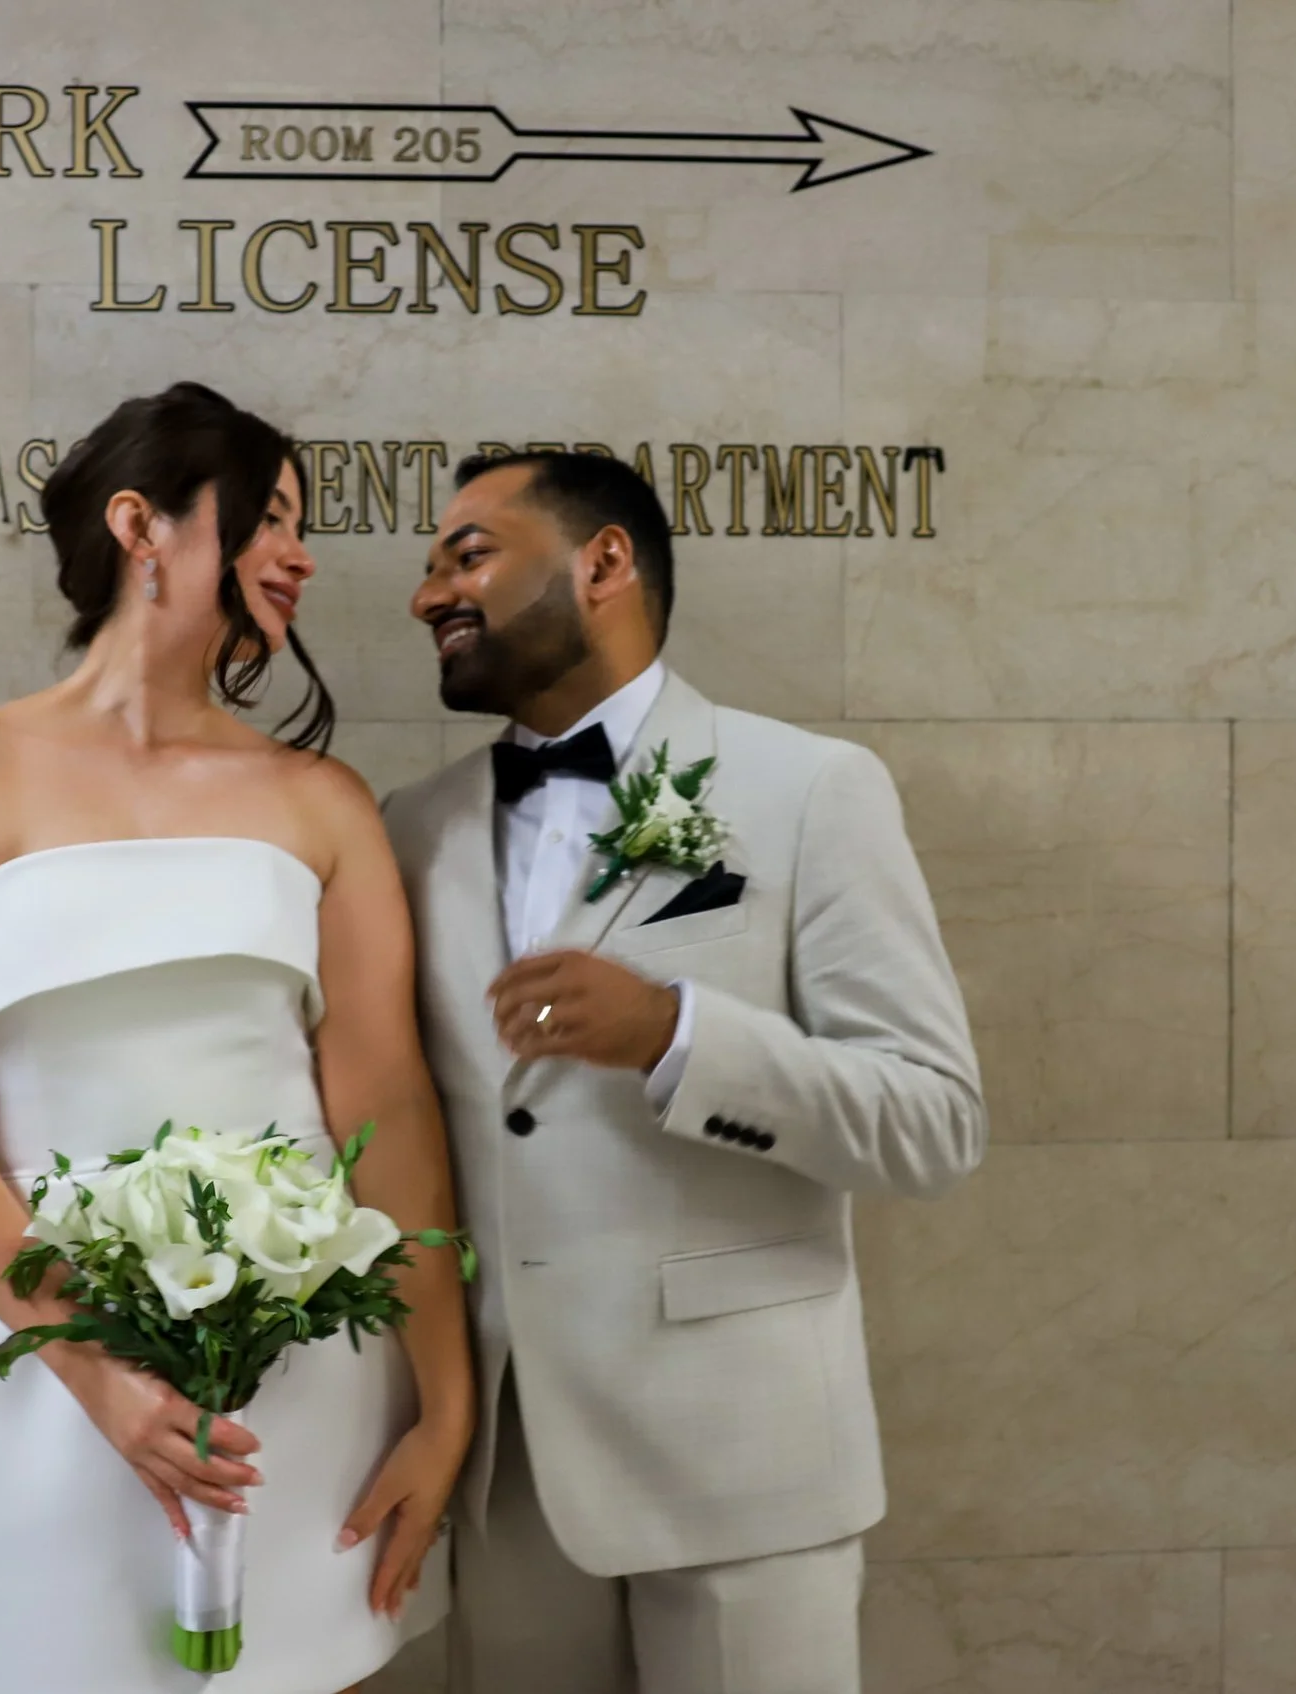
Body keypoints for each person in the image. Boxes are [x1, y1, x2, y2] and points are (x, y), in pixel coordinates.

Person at [0, 382, 472, 1694]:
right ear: (143, 524)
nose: (301, 553)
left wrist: (447, 1400)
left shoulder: (321, 803)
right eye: (272, 517)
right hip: (43, 1373)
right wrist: (94, 1368)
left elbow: (390, 1114)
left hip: (304, 1381)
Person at [381, 450, 986, 1694]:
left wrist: (675, 1033)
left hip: (741, 1465)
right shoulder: (410, 826)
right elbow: (369, 1104)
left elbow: (932, 1119)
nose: (428, 591)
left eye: (468, 552)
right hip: (508, 1479)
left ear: (603, 561)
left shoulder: (810, 786)